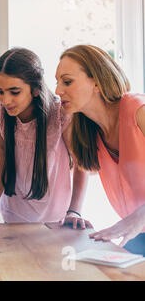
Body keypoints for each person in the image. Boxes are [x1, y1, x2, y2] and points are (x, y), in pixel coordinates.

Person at [0, 48, 90, 226]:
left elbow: (81, 164)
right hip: (14, 214)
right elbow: (1, 167)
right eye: (0, 91)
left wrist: (74, 210)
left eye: (14, 92)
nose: (6, 100)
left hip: (56, 216)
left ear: (35, 89)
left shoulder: (59, 113)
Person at [55, 44, 145, 255]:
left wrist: (137, 217)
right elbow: (82, 170)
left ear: (96, 82)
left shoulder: (138, 111)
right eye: (57, 82)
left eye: (67, 81)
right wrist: (73, 212)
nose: (58, 91)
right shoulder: (88, 132)